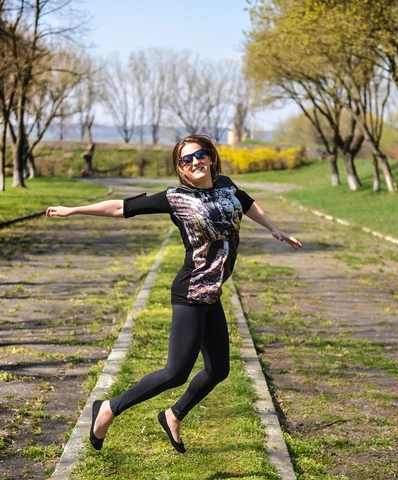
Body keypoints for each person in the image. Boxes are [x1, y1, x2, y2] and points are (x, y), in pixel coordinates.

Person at [46, 134, 302, 454]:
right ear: (180, 168)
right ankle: (108, 409)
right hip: (191, 291)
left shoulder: (226, 184)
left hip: (212, 293)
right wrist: (73, 210)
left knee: (218, 370)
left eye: (200, 154)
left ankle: (172, 415)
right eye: (186, 159)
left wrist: (273, 228)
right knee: (175, 372)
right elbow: (121, 207)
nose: (195, 162)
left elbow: (247, 203)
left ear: (210, 157)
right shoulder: (175, 197)